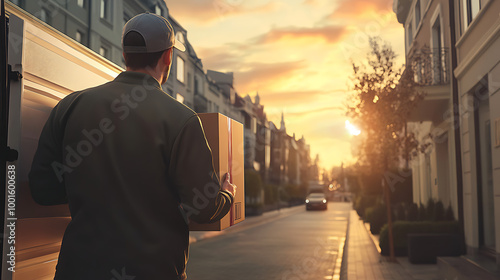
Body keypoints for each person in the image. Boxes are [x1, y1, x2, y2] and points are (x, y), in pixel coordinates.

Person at [28, 12, 236, 280]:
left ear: (125, 55)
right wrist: (227, 194)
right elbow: (205, 209)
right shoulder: (182, 120)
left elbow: (43, 191)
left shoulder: (70, 106)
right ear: (168, 57)